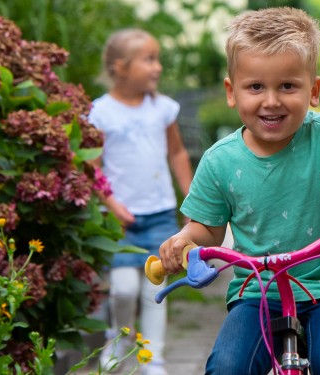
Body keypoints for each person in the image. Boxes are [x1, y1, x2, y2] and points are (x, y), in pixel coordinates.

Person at [156, 7, 320, 375]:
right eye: (255, 87)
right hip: (257, 291)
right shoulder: (220, 161)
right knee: (226, 367)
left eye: (287, 86)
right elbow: (208, 230)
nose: (271, 101)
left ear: (313, 91)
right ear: (232, 92)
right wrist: (185, 240)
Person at [88, 28, 194, 375]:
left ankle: (154, 359)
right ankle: (118, 338)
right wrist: (111, 204)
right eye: (149, 59)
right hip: (120, 219)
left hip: (160, 213)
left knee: (154, 290)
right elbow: (93, 166)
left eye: (157, 59)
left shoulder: (163, 109)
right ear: (120, 67)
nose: (157, 67)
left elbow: (177, 153)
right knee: (122, 289)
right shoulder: (101, 112)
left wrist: (193, 201)